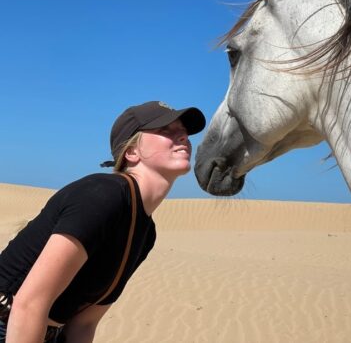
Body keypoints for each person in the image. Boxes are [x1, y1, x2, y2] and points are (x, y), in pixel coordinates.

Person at [0, 101, 205, 342]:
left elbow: (85, 322)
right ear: (131, 152)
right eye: (165, 130)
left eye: (183, 130)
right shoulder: (102, 196)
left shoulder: (145, 230)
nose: (182, 135)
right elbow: (29, 304)